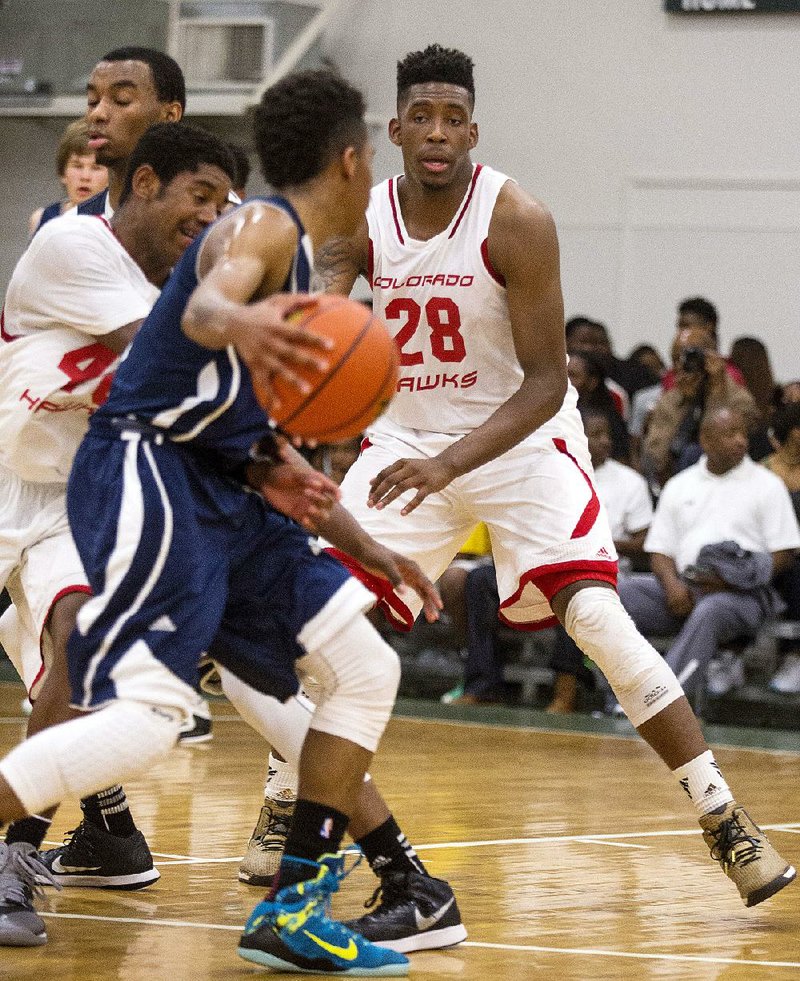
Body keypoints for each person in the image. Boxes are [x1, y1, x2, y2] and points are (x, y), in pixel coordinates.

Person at [312, 43, 796, 910]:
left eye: (452, 117)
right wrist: (328, 324)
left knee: (599, 620)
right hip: (403, 443)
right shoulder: (362, 216)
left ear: (473, 130)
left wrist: (449, 464)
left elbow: (546, 383)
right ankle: (289, 812)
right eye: (420, 116)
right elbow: (333, 305)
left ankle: (723, 815)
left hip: (518, 443)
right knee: (312, 618)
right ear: (394, 129)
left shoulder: (516, 217)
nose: (436, 132)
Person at [0, 67, 453, 976]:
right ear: (357, 160)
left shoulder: (290, 252)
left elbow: (254, 444)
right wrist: (237, 323)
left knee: (365, 666)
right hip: (148, 471)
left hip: (223, 485)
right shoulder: (265, 225)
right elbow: (208, 305)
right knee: (151, 722)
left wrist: (368, 546)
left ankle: (293, 907)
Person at [0, 122, 238, 946]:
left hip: (72, 498)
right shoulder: (74, 246)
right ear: (143, 184)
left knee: (78, 643)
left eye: (223, 205)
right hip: (6, 475)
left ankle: (16, 857)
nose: (210, 219)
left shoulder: (182, 270)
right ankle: (106, 832)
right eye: (198, 199)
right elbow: (164, 360)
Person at [619, 406, 800, 707]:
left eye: (743, 433)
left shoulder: (767, 486)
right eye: (730, 434)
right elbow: (660, 551)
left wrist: (732, 579)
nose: (741, 441)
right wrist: (673, 586)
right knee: (619, 595)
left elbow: (783, 555)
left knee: (711, 610)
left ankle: (664, 704)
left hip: (743, 597)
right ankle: (619, 692)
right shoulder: (680, 485)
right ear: (705, 440)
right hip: (685, 587)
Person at [547, 408, 654, 713]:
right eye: (596, 434)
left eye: (607, 434)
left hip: (611, 570)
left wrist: (597, 541)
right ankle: (482, 683)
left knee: (574, 592)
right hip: (554, 562)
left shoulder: (630, 482)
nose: (606, 441)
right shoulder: (555, 474)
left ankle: (565, 693)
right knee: (479, 582)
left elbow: (645, 541)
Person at [640, 326, 756, 493]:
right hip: (678, 484)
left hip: (732, 484)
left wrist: (717, 392)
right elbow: (656, 457)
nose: (685, 363)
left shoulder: (736, 396)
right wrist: (682, 404)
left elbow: (736, 444)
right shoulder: (670, 400)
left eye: (692, 355)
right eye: (678, 358)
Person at [78, 47, 185, 219]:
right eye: (93, 101)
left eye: (122, 100)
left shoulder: (212, 222)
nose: (97, 113)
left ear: (170, 116)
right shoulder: (71, 228)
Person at [27, 119, 108, 236]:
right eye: (77, 166)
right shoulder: (41, 219)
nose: (85, 176)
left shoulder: (120, 223)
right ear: (63, 173)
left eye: (96, 168)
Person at [567, 351, 630, 462]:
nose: (566, 381)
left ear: (592, 382)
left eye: (573, 375)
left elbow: (621, 461)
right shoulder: (549, 414)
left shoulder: (612, 420)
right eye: (563, 374)